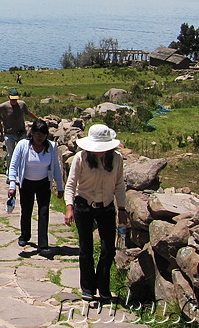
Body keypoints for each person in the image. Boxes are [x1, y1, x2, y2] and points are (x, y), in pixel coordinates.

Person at [64, 124, 127, 302]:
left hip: (106, 206)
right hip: (84, 205)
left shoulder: (116, 159)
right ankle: (88, 288)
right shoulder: (80, 158)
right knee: (86, 248)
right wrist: (69, 207)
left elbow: (119, 185)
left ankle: (103, 285)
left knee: (108, 249)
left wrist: (122, 209)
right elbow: (71, 184)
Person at [7, 119, 64, 255]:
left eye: (42, 135)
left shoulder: (51, 147)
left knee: (44, 212)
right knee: (26, 210)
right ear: (31, 133)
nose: (39, 138)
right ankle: (24, 236)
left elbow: (56, 167)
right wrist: (12, 185)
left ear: (46, 135)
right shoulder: (22, 145)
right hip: (26, 182)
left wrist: (60, 186)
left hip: (44, 182)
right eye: (36, 134)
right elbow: (13, 166)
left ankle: (43, 244)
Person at [0, 88, 39, 173]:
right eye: (12, 99)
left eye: (15, 99)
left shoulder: (22, 104)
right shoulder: (4, 106)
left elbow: (27, 113)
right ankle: (10, 173)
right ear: (9, 97)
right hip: (9, 133)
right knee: (11, 154)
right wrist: (2, 119)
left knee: (23, 153)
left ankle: (22, 173)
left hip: (21, 132)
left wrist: (37, 119)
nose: (14, 101)